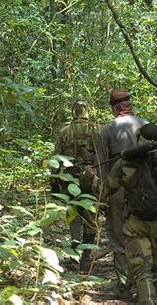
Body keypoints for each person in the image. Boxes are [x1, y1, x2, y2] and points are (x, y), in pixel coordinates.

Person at [88, 123, 157, 304]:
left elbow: (104, 191)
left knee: (142, 271)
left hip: (135, 224)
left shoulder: (125, 165)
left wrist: (91, 179)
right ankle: (153, 298)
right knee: (156, 268)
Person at [96, 89, 148, 295]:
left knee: (118, 234)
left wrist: (102, 195)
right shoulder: (145, 124)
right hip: (146, 186)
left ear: (115, 107)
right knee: (143, 231)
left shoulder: (108, 129)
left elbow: (100, 165)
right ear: (129, 104)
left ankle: (124, 284)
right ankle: (145, 284)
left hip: (117, 187)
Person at [51, 100, 98, 271]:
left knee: (74, 218)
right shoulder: (96, 130)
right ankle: (86, 258)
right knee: (91, 218)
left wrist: (53, 181)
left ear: (74, 112)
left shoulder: (65, 131)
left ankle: (75, 256)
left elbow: (55, 159)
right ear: (87, 111)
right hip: (92, 179)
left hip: (70, 180)